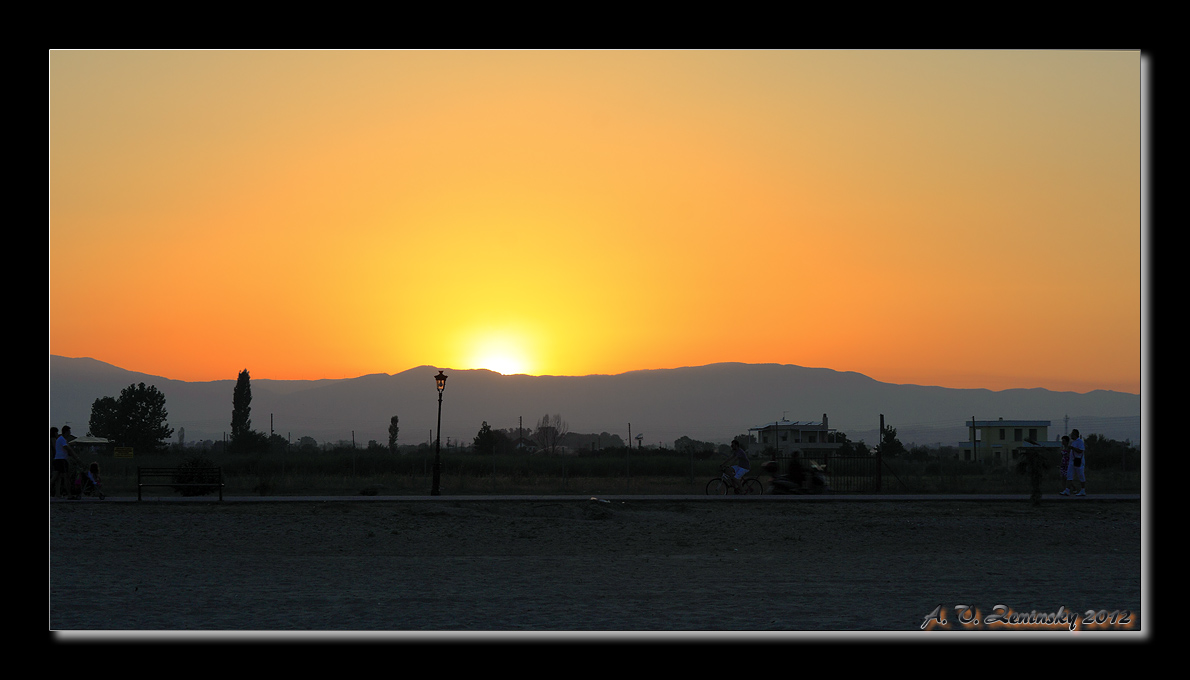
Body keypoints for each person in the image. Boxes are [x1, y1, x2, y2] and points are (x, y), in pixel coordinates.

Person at [52, 425, 79, 498]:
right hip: (62, 460)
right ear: (66, 432)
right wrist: (76, 457)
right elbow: (68, 449)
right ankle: (69, 495)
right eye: (69, 432)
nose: (70, 433)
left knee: (56, 478)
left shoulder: (60, 439)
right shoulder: (62, 440)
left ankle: (58, 494)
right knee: (65, 478)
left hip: (58, 460)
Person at [1062, 429, 1087, 496]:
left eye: (1072, 434)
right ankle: (1067, 490)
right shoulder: (1073, 442)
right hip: (1072, 461)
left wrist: (1073, 448)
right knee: (1069, 475)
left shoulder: (1080, 442)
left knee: (1081, 475)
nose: (1071, 435)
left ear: (1075, 434)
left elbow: (1081, 451)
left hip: (1078, 461)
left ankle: (1083, 490)